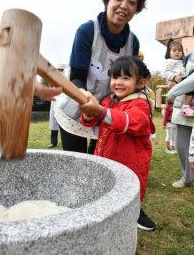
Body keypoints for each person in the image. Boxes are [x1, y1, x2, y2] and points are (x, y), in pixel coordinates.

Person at [57, 0, 149, 154]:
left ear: (137, 8)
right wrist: (86, 100)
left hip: (105, 113)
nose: (124, 5)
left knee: (99, 163)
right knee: (76, 166)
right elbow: (76, 78)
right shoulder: (87, 31)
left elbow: (128, 82)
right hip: (74, 108)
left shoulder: (133, 42)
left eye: (132, 2)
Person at [80, 56, 156, 231]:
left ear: (141, 83)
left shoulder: (140, 104)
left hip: (131, 163)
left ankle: (133, 215)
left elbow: (130, 122)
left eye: (126, 78)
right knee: (106, 188)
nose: (118, 82)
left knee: (127, 192)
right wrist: (89, 114)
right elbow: (93, 122)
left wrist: (99, 110)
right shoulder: (109, 100)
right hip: (106, 155)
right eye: (115, 77)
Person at [167, 54, 194, 188]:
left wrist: (173, 92)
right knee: (182, 144)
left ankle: (188, 177)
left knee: (184, 144)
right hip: (183, 107)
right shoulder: (188, 57)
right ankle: (188, 177)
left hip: (186, 103)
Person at [163, 40, 194, 116]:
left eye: (179, 51)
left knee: (190, 90)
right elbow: (165, 72)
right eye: (174, 51)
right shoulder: (169, 62)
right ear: (169, 53)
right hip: (177, 80)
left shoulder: (183, 60)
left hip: (184, 80)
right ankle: (185, 107)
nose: (177, 52)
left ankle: (187, 106)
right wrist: (173, 77)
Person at [48, 63, 65, 148]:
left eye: (61, 70)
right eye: (58, 69)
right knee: (53, 122)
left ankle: (64, 141)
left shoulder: (66, 80)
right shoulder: (52, 79)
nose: (60, 71)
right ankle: (53, 142)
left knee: (63, 122)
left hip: (62, 103)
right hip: (54, 102)